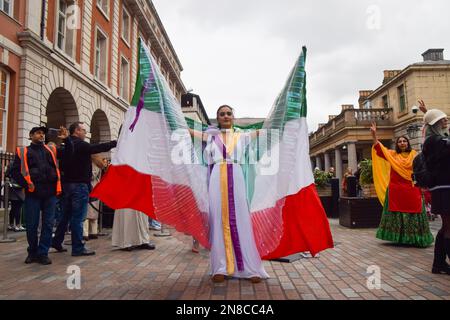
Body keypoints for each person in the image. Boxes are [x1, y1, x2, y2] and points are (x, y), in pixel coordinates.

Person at [189, 105, 269, 283]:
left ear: (233, 117)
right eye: (222, 114)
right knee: (218, 219)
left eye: (229, 113)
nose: (225, 116)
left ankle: (250, 268)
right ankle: (220, 267)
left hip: (237, 176)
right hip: (216, 177)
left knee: (242, 218)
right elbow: (185, 130)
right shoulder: (210, 137)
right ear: (217, 118)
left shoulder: (243, 136)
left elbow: (267, 129)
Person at [52, 122, 117, 257]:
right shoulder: (80, 145)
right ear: (76, 131)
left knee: (65, 216)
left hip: (67, 186)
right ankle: (78, 248)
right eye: (83, 130)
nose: (85, 133)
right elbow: (98, 147)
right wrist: (115, 142)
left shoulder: (65, 146)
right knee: (78, 218)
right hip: (79, 186)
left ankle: (57, 241)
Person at [10, 126, 70, 264]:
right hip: (33, 194)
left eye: (43, 133)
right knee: (32, 225)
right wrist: (27, 185)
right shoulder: (23, 151)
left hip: (50, 193)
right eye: (38, 133)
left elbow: (69, 153)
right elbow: (14, 172)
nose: (41, 135)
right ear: (31, 136)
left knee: (48, 224)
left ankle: (43, 253)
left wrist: (67, 140)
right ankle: (32, 252)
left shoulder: (51, 150)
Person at [370, 122, 433, 248]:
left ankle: (415, 237)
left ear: (408, 143)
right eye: (400, 142)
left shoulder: (414, 154)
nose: (402, 143)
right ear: (397, 144)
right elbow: (379, 148)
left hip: (412, 189)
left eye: (404, 141)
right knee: (397, 213)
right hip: (396, 190)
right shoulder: (392, 155)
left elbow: (422, 167)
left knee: (414, 212)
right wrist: (374, 134)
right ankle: (398, 237)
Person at [422, 108, 450, 275]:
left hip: (442, 188)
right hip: (444, 187)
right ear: (435, 124)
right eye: (442, 120)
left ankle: (439, 263)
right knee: (448, 226)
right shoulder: (435, 141)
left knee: (445, 226)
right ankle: (439, 263)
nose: (445, 121)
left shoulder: (434, 139)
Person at [83, 155, 105, 241]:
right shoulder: (99, 164)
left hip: (91, 188)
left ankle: (85, 233)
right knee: (94, 213)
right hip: (96, 188)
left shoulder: (92, 164)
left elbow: (91, 175)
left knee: (87, 213)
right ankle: (93, 232)